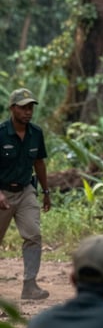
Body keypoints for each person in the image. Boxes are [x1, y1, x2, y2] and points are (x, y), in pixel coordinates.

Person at [0, 87, 51, 300]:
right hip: (2, 192)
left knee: (33, 235)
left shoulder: (36, 133)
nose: (28, 112)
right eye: (23, 108)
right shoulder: (1, 133)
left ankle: (30, 286)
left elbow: (39, 163)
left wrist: (46, 191)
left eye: (30, 107)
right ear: (12, 108)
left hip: (26, 191)